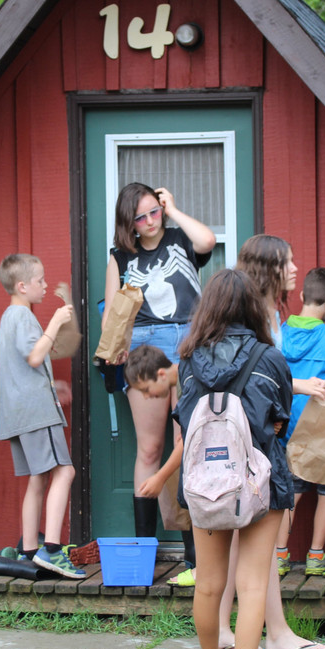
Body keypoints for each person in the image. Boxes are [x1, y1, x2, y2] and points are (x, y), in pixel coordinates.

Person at [210, 237, 325, 649]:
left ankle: (234, 631)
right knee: (247, 537)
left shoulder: (266, 308)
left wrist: (296, 386)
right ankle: (267, 636)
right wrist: (295, 388)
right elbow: (239, 372)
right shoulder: (248, 310)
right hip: (251, 440)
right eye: (289, 261)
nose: (297, 268)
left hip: (256, 435)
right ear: (268, 267)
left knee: (246, 541)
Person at [174, 269, 294, 649]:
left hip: (206, 484)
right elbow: (281, 421)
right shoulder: (270, 358)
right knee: (254, 583)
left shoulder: (188, 362)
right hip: (261, 481)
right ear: (252, 308)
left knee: (208, 585)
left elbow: (187, 423)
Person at [103, 183, 215, 538]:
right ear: (129, 222)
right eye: (141, 216)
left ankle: (194, 554)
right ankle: (142, 547)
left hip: (187, 341)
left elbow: (208, 241)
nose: (151, 221)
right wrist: (114, 348)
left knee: (190, 442)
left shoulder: (180, 240)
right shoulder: (120, 257)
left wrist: (174, 211)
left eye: (155, 211)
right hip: (143, 346)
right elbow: (111, 315)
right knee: (149, 447)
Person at [0, 253, 85, 579]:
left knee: (39, 478)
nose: (46, 286)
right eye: (40, 281)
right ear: (22, 285)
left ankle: (28, 550)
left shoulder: (9, 317)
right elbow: (34, 356)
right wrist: (57, 322)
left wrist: (51, 383)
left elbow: (23, 366)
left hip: (19, 412)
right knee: (66, 472)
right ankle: (52, 550)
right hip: (36, 413)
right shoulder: (22, 316)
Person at [279, 267, 325, 577]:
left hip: (285, 427)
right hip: (320, 428)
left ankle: (279, 556)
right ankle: (316, 556)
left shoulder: (278, 334)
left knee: (290, 494)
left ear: (302, 296)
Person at [123, 344, 197, 586]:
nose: (146, 396)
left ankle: (198, 565)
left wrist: (160, 477)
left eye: (146, 389)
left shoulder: (190, 382)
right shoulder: (182, 376)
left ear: (162, 375)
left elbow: (188, 442)